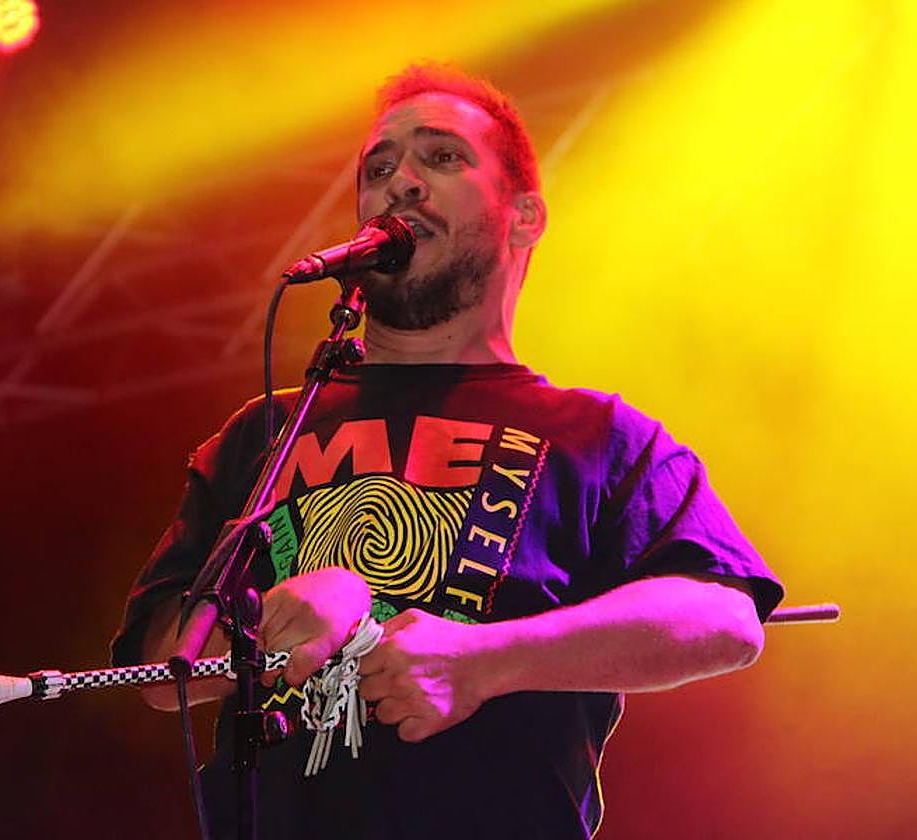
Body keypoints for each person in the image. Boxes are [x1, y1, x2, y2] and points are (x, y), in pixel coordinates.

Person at [112, 63, 784, 839]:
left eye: (441, 158)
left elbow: (724, 617)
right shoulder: (264, 432)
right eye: (379, 167)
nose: (400, 182)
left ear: (524, 217)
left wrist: (484, 659)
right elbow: (160, 674)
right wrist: (260, 623)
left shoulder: (597, 436)